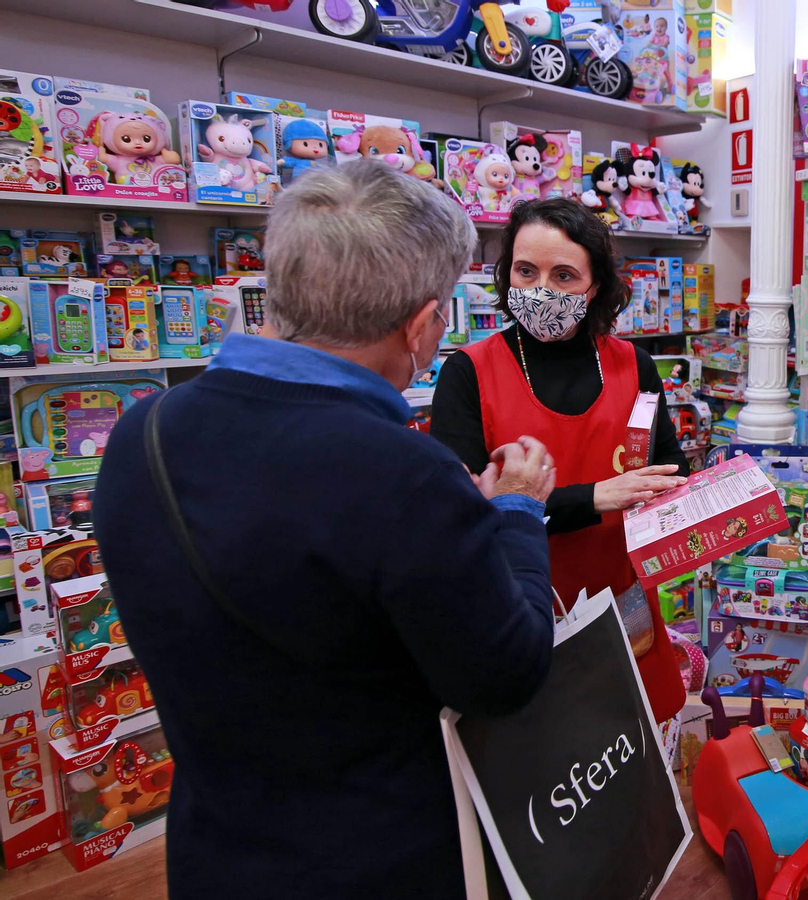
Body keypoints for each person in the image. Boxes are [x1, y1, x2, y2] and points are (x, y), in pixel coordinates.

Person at [95, 161, 559, 900]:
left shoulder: (141, 432)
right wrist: (515, 514)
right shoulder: (403, 473)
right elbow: (505, 674)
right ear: (419, 324)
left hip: (217, 851)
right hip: (383, 857)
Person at [431, 198, 689, 724]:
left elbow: (668, 467)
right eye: (525, 271)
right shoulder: (468, 373)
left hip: (623, 601)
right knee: (543, 758)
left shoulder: (633, 364)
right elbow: (463, 515)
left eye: (564, 275)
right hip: (519, 610)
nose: (540, 289)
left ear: (595, 287)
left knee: (631, 756)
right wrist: (596, 497)